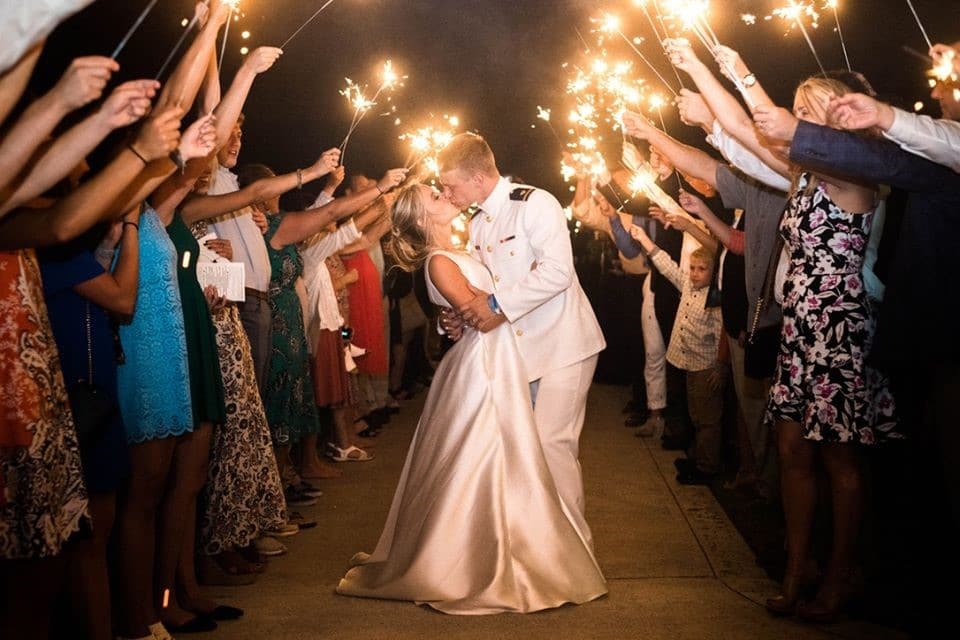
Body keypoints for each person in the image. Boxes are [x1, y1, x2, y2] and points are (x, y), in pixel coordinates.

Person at [336, 183, 607, 613]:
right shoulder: (439, 260)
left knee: (514, 461)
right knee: (486, 462)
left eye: (442, 188)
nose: (442, 193)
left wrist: (458, 316)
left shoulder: (467, 245)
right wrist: (462, 315)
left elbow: (479, 306)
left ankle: (523, 550)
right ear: (423, 218)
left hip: (502, 358)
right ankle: (478, 558)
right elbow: (481, 315)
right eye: (433, 195)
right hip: (482, 366)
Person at [436, 133, 606, 549]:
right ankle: (533, 544)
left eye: (450, 185)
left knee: (552, 444)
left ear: (477, 178)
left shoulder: (535, 203)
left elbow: (557, 273)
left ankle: (572, 547)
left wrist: (494, 304)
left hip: (565, 343)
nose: (446, 193)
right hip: (520, 353)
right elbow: (480, 286)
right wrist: (457, 319)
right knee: (523, 449)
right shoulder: (477, 222)